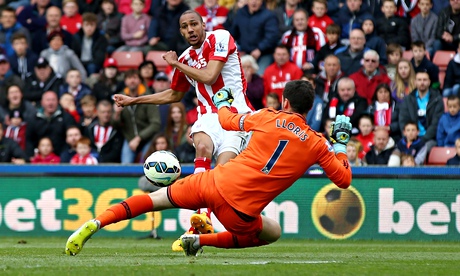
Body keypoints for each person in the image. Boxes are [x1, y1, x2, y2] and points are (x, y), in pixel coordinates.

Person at [65, 80, 352, 257]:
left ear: (285, 102)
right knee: (271, 232)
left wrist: (223, 101)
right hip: (239, 211)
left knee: (155, 200)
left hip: (213, 181)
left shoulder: (266, 116)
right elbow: (343, 180)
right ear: (309, 108)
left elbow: (227, 120)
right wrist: (339, 145)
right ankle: (200, 240)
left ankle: (97, 222)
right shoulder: (317, 144)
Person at [113, 10, 254, 250]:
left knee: (221, 172)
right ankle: (202, 218)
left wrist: (176, 63)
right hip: (208, 115)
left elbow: (210, 76)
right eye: (184, 26)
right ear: (180, 31)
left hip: (235, 114)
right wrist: (132, 100)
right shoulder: (187, 57)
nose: (190, 30)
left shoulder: (220, 38)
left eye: (193, 24)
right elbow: (174, 94)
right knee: (202, 146)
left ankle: (203, 222)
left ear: (203, 24)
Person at [113, 69, 161, 164]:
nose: (132, 81)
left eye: (135, 78)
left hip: (148, 138)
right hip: (129, 138)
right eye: (129, 78)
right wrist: (117, 114)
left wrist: (139, 138)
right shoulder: (120, 97)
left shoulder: (147, 97)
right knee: (125, 166)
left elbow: (156, 124)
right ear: (125, 81)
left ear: (140, 80)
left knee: (147, 164)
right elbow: (115, 125)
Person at [398, 71, 444, 154]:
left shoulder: (437, 99)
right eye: (419, 80)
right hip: (410, 137)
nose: (422, 82)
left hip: (429, 139)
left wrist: (422, 140)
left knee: (421, 151)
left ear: (429, 82)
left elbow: (436, 123)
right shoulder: (408, 99)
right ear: (415, 82)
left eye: (424, 80)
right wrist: (409, 137)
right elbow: (403, 120)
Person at [26, 91, 77, 158]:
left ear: (58, 102)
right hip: (39, 158)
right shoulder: (34, 119)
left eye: (53, 100)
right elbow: (29, 140)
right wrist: (31, 156)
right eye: (48, 100)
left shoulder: (66, 117)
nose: (50, 103)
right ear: (42, 102)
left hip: (62, 158)